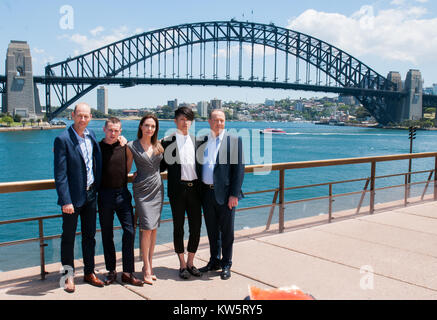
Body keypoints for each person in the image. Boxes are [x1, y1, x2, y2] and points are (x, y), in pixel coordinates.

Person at [53, 102, 104, 293]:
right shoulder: (62, 139)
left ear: (90, 118)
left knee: (89, 237)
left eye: (86, 116)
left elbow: (96, 160)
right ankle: (68, 277)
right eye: (79, 115)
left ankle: (89, 272)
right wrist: (65, 200)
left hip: (91, 194)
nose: (83, 119)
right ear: (72, 115)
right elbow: (60, 174)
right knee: (68, 239)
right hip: (72, 199)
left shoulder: (91, 135)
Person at [197, 109, 245, 280]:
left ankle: (226, 264)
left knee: (227, 232)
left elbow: (239, 170)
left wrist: (234, 194)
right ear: (209, 121)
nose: (219, 123)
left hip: (226, 196)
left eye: (222, 120)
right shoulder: (202, 141)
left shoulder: (234, 141)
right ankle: (214, 261)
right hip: (206, 194)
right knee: (211, 231)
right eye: (216, 120)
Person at [98, 117, 143, 287]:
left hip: (122, 194)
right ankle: (111, 270)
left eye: (116, 130)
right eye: (110, 130)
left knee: (130, 231)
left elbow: (131, 165)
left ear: (120, 131)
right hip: (104, 194)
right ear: (104, 129)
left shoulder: (125, 147)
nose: (113, 133)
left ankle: (127, 272)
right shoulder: (97, 147)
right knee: (107, 234)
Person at [160, 107, 202, 280]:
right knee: (178, 228)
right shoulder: (167, 142)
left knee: (196, 228)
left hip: (196, 190)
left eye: (188, 119)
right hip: (177, 191)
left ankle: (191, 262)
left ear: (192, 122)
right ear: (175, 121)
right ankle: (182, 264)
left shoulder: (199, 141)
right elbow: (159, 166)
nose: (185, 122)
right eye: (182, 119)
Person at [126, 114, 164, 285]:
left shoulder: (159, 146)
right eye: (147, 125)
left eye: (153, 126)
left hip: (157, 188)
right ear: (141, 126)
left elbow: (161, 166)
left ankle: (149, 265)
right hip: (142, 190)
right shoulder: (130, 146)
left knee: (153, 228)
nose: (150, 129)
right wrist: (133, 175)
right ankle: (146, 268)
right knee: (146, 227)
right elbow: (126, 168)